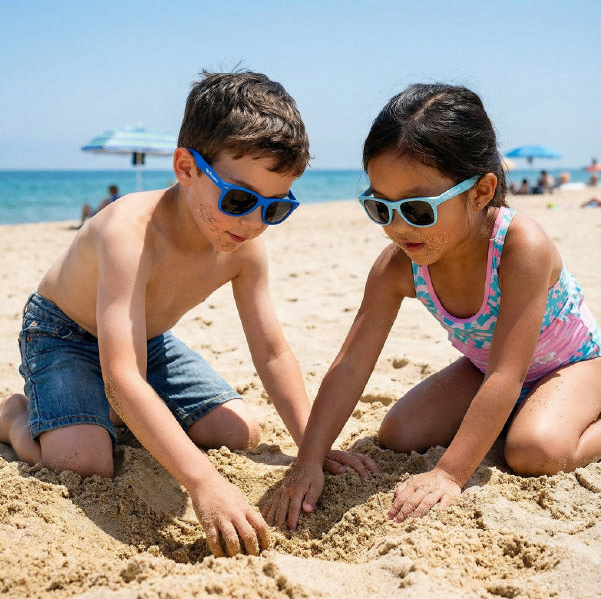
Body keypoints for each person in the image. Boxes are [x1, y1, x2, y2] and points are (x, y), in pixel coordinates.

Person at [0, 71, 374, 557]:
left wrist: (311, 444)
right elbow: (121, 374)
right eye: (239, 199)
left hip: (145, 340)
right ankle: (13, 418)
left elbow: (271, 351)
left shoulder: (243, 248)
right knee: (84, 461)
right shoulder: (129, 231)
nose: (253, 222)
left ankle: (112, 415)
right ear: (185, 167)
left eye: (275, 208)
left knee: (240, 432)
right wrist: (204, 482)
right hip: (64, 333)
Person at [264, 83, 601, 532]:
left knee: (533, 452)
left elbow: (508, 374)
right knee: (399, 433)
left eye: (419, 210)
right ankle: (517, 417)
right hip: (488, 370)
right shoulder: (399, 267)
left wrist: (450, 473)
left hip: (572, 366)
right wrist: (307, 461)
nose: (398, 227)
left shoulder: (521, 247)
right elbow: (350, 366)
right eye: (381, 208)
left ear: (480, 192)